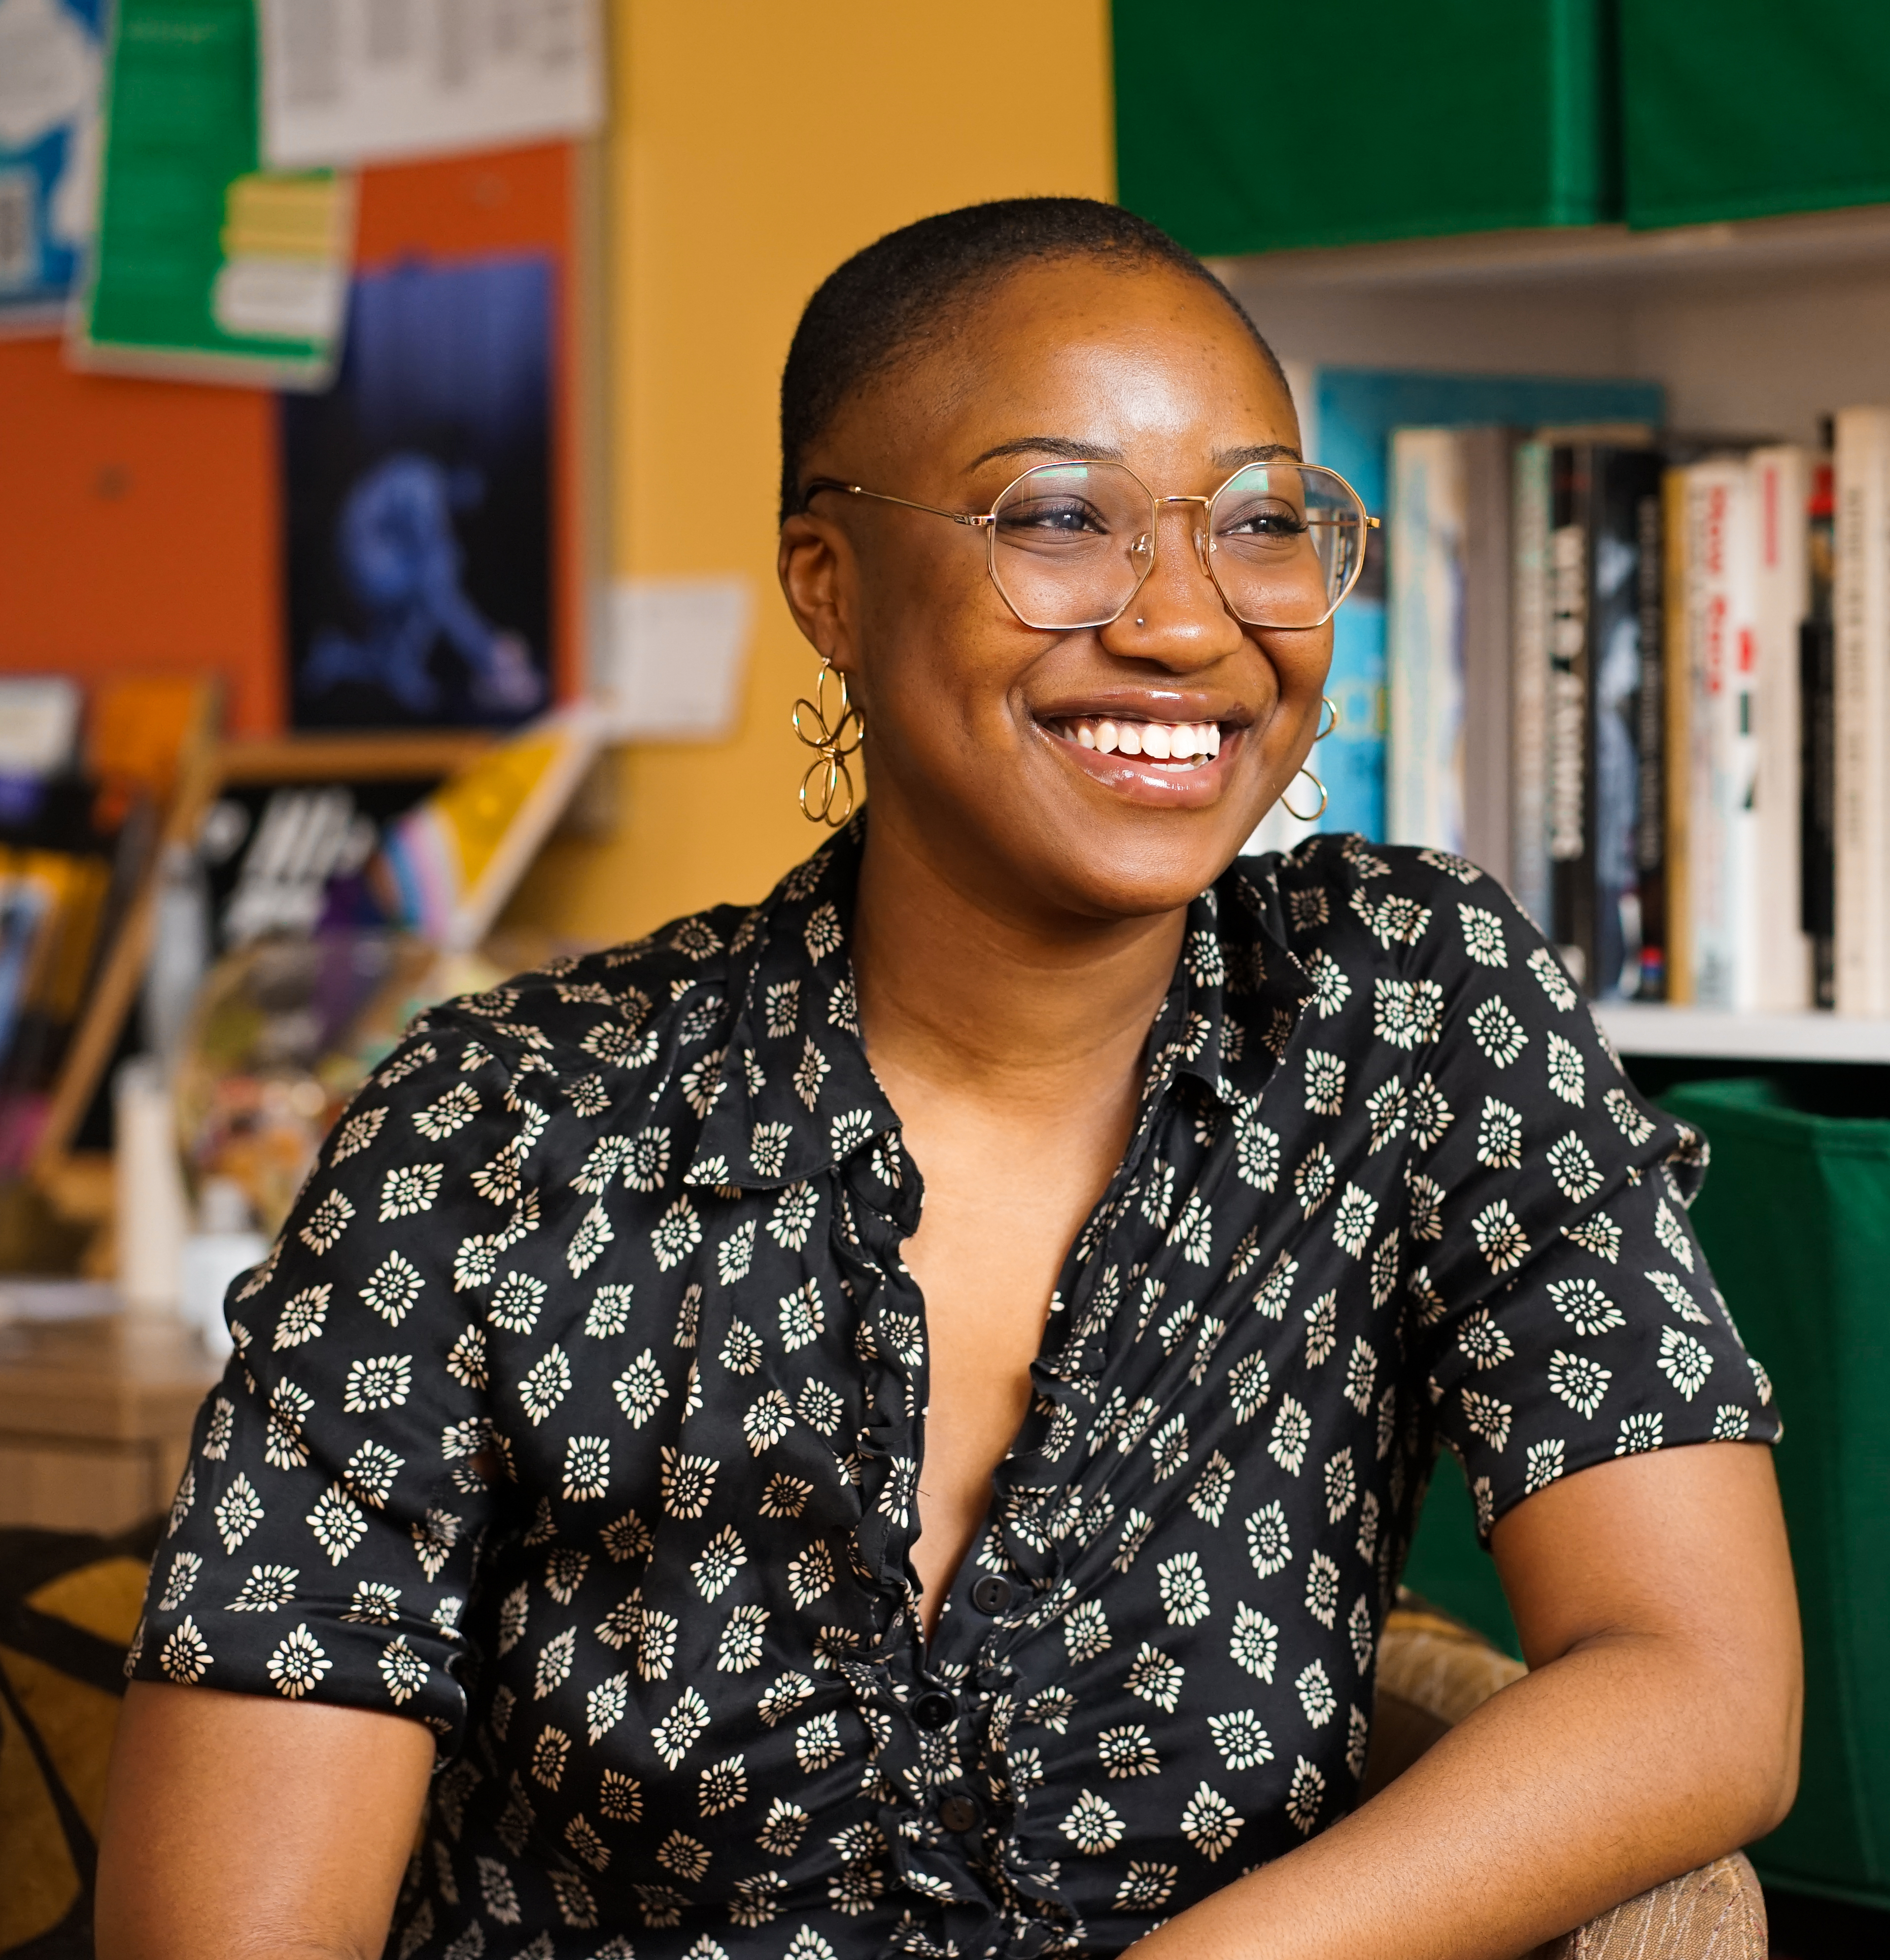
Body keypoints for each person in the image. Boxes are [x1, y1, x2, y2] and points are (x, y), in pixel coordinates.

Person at [97, 198, 1802, 1960]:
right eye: (1060, 517)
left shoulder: (1407, 1012)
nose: (1188, 625)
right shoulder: (503, 1127)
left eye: (1263, 523)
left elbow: (1698, 1681)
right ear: (827, 581)